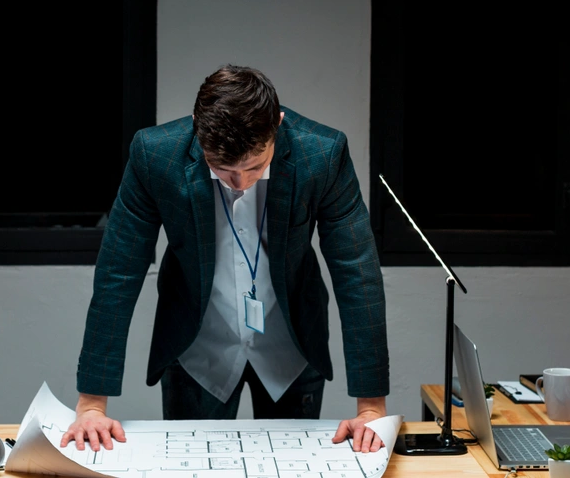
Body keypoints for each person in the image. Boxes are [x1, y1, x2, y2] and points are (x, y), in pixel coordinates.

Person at [61, 65, 389, 453]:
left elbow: (357, 271)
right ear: (198, 131)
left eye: (254, 167)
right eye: (223, 169)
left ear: (278, 126)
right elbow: (119, 269)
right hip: (197, 346)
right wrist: (91, 404)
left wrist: (370, 409)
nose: (240, 183)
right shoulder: (154, 155)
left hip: (291, 343)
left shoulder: (323, 153)